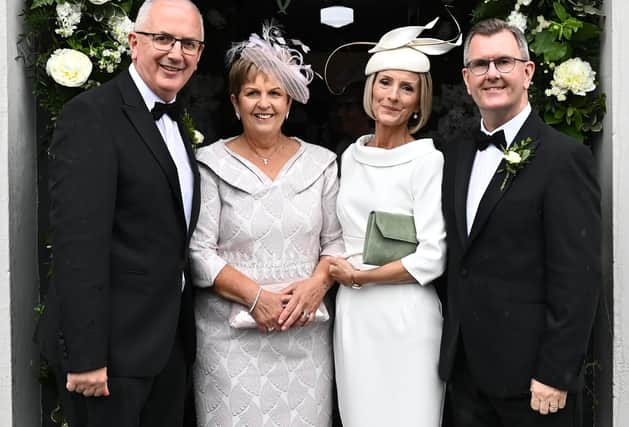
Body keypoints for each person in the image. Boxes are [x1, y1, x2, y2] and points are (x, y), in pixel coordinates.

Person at [35, 0, 204, 425]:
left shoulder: (175, 123)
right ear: (133, 42)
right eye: (163, 38)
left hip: (163, 350)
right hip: (109, 360)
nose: (175, 53)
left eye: (189, 43)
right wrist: (87, 357)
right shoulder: (92, 115)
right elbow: (77, 244)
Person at [438, 18, 601, 427]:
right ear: (467, 78)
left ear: (527, 72)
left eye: (503, 62)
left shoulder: (564, 159)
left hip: (535, 384)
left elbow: (578, 276)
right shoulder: (453, 155)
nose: (491, 73)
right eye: (480, 65)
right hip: (466, 377)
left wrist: (556, 372)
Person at [188, 24, 343, 426]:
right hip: (231, 340)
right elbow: (198, 252)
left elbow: (336, 243)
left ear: (289, 102)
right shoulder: (209, 164)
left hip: (304, 335)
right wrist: (257, 298)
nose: (264, 103)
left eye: (274, 93)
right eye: (252, 93)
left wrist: (316, 285)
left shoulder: (322, 163)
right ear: (235, 102)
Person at [326, 19, 460, 427]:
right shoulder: (351, 156)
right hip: (355, 317)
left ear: (420, 100)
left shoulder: (426, 160)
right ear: (370, 88)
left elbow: (433, 257)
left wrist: (364, 279)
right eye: (385, 83)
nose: (394, 96)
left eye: (407, 88)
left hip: (405, 317)